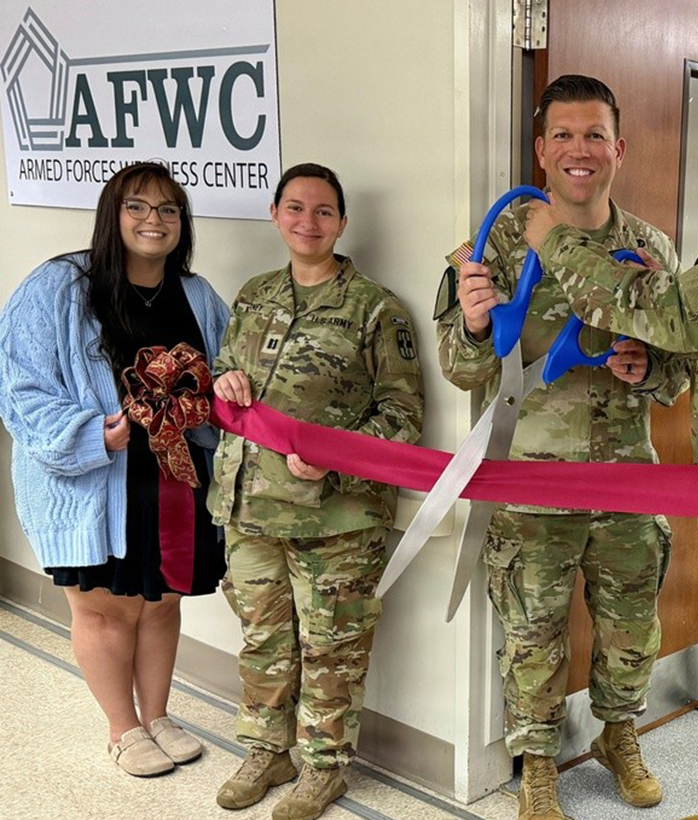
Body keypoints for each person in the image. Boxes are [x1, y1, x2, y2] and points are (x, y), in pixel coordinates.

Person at [524, 75, 698, 820]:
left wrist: (551, 240)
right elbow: (697, 355)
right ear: (541, 148)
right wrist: (652, 366)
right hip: (581, 493)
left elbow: (672, 313)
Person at [438, 74, 686, 820]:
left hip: (626, 487)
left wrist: (650, 368)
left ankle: (618, 736)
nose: (579, 151)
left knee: (630, 629)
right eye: (563, 135)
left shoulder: (650, 248)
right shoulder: (490, 247)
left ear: (619, 147)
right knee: (533, 635)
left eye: (594, 136)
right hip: (528, 487)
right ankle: (539, 762)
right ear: (542, 147)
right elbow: (458, 368)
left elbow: (677, 369)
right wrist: (479, 327)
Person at [208, 163, 424, 820]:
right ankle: (268, 749)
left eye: (324, 211)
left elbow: (403, 416)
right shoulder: (252, 295)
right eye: (296, 208)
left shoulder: (376, 309)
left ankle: (326, 768)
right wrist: (224, 385)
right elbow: (223, 375)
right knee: (263, 638)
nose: (309, 222)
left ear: (342, 223)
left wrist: (334, 464)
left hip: (335, 517)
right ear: (276, 215)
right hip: (250, 505)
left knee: (331, 645)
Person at [0, 162, 229, 777]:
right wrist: (89, 434)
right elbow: (20, 387)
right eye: (137, 207)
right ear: (112, 215)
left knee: (160, 602)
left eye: (168, 210)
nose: (153, 221)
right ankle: (122, 728)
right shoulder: (59, 286)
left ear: (182, 224)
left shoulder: (198, 295)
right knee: (102, 609)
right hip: (96, 479)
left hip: (175, 480)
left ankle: (156, 714)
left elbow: (224, 378)